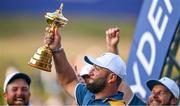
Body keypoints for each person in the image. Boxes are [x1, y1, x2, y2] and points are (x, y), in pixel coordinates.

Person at [44, 27, 145, 105]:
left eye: (97, 69)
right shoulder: (89, 94)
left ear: (111, 78)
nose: (90, 72)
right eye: (93, 67)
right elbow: (68, 81)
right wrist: (57, 49)